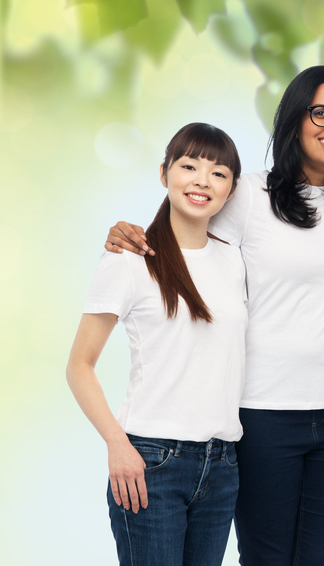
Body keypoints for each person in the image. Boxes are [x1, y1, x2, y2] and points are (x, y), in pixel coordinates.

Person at [104, 65, 324, 564]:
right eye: (321, 112)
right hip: (263, 414)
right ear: (295, 119)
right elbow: (188, 232)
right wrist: (128, 232)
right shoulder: (250, 194)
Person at [67, 123, 246, 565]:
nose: (202, 180)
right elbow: (79, 365)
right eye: (189, 166)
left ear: (232, 190)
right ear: (164, 173)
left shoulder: (235, 258)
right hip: (151, 463)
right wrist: (117, 444)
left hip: (222, 465)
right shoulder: (129, 260)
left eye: (218, 173)